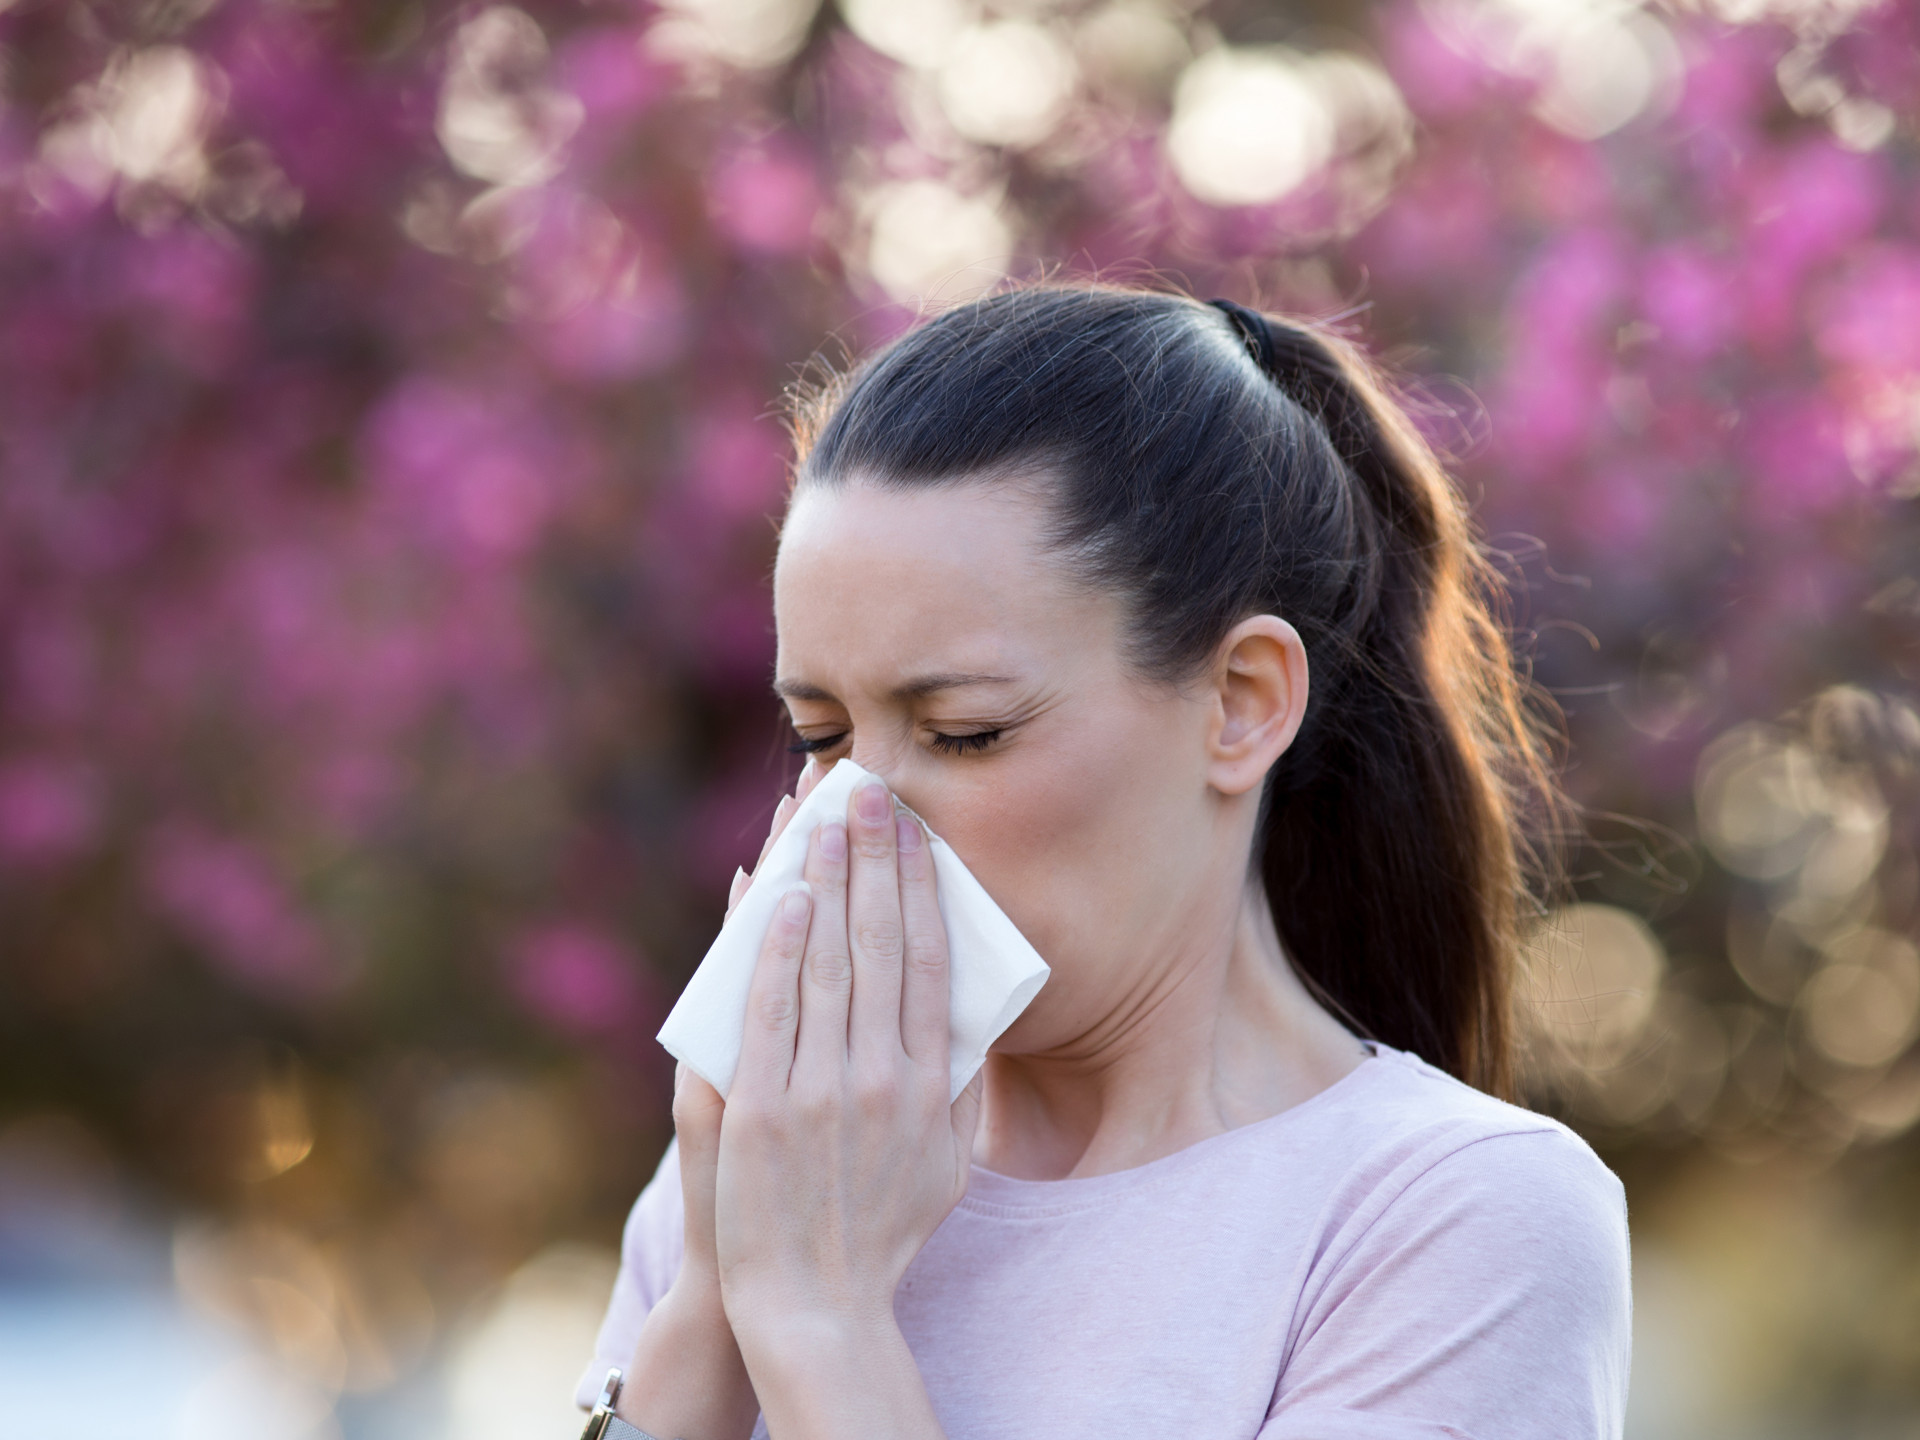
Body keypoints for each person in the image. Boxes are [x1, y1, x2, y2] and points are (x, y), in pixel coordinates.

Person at [575, 285, 1630, 1439]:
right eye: (820, 739)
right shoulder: (760, 1176)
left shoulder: (1451, 1218)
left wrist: (825, 1328)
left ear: (1240, 704)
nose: (855, 821)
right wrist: (720, 1302)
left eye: (964, 732)